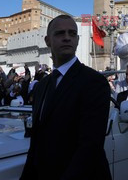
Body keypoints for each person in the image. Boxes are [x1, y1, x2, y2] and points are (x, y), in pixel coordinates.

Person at [20, 15, 111, 180]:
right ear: (48, 41)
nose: (67, 38)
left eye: (72, 33)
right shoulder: (42, 86)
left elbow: (90, 146)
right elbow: (36, 143)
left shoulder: (94, 82)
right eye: (60, 33)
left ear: (77, 40)